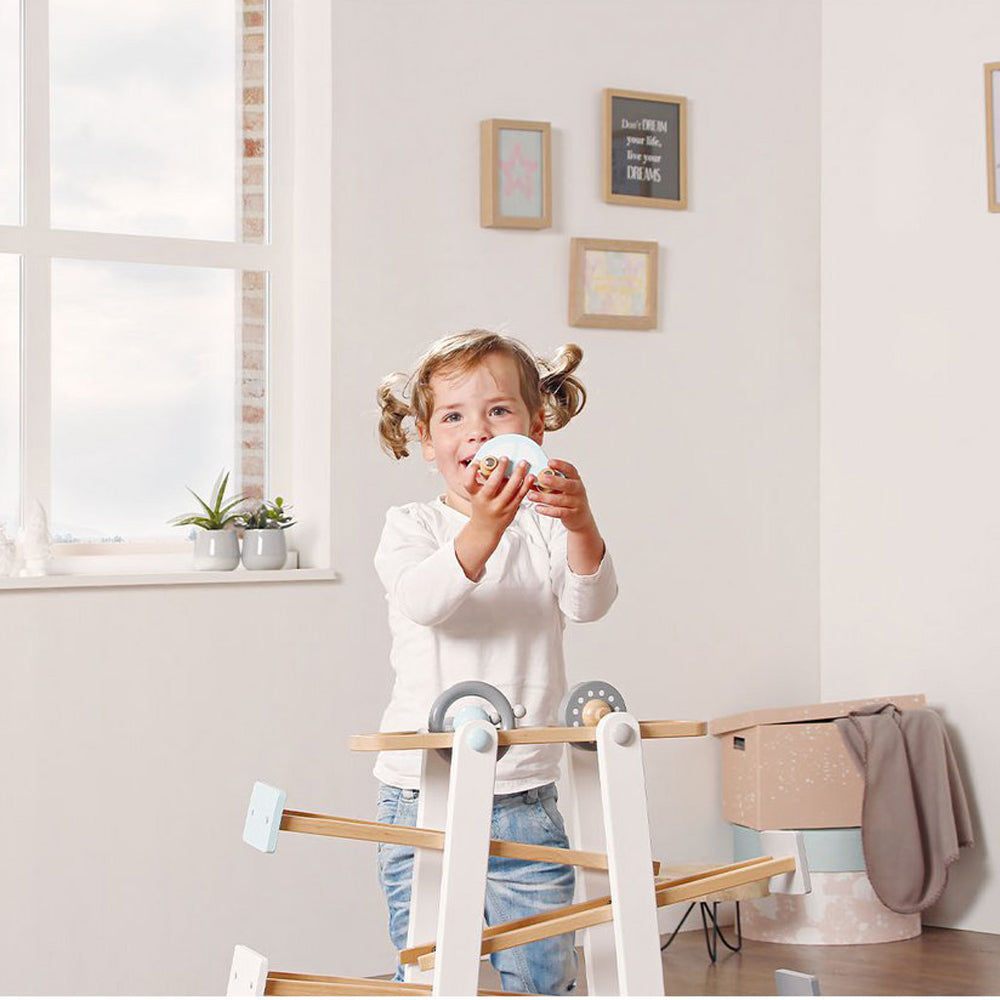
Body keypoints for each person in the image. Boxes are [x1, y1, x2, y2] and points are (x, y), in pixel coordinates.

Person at [373, 329, 618, 994]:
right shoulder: (410, 527)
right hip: (422, 793)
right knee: (429, 971)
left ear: (536, 427)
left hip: (525, 795)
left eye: (498, 412)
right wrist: (483, 526)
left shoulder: (545, 526)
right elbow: (426, 600)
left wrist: (581, 526)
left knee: (542, 972)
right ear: (427, 440)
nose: (477, 432)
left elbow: (589, 602)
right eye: (453, 417)